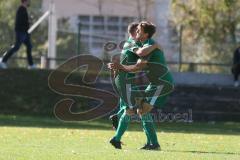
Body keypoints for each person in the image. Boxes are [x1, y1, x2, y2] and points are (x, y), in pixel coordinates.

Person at [108, 21, 174, 150]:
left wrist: (120, 66)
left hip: (161, 83)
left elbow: (138, 66)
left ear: (146, 34)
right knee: (140, 110)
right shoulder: (147, 45)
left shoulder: (149, 45)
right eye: (136, 30)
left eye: (139, 30)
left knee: (141, 110)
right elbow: (138, 64)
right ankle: (152, 143)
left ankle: (153, 143)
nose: (136, 32)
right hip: (154, 83)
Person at [0, 0, 35, 69]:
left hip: (25, 33)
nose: (29, 2)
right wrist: (28, 24)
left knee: (29, 47)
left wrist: (28, 23)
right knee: (16, 47)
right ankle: (3, 61)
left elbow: (25, 22)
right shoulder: (21, 10)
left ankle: (31, 65)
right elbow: (19, 23)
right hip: (21, 32)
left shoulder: (24, 10)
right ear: (25, 1)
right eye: (28, 1)